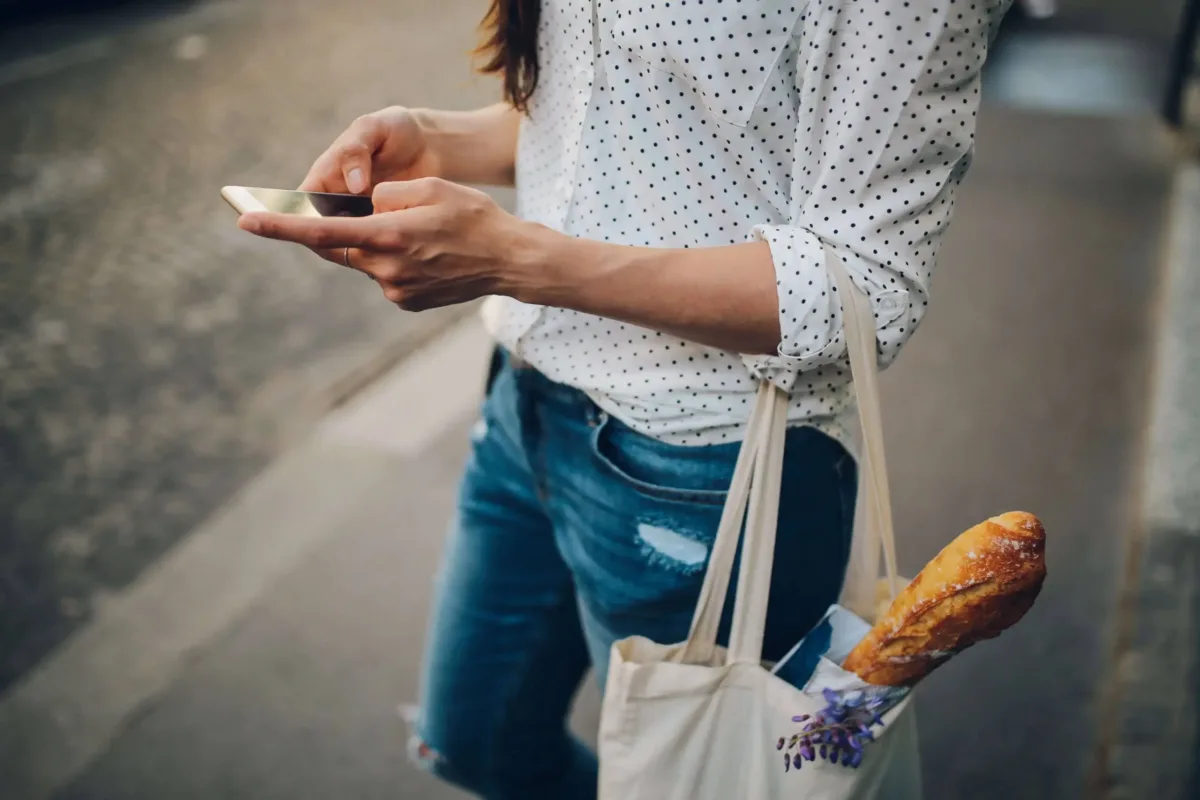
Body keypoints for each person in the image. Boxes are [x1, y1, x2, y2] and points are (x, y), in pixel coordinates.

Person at [238, 0, 1011, 796]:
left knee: (698, 780)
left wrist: (520, 260)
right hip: (525, 404)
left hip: (706, 469)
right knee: (470, 743)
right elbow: (614, 115)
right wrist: (432, 137)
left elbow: (869, 286)